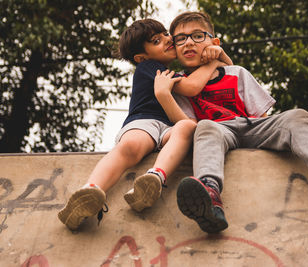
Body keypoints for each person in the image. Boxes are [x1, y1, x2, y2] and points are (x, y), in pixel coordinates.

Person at [165, 11, 308, 234]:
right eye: (180, 38)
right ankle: (208, 194)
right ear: (175, 48)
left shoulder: (236, 72)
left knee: (297, 116)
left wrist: (305, 139)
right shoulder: (178, 83)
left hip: (251, 126)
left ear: (214, 42)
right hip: (218, 132)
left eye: (197, 36)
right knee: (205, 126)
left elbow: (264, 121)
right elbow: (187, 125)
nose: (188, 42)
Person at [58, 18, 232, 230]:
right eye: (157, 41)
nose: (169, 40)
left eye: (166, 35)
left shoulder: (170, 72)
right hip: (144, 121)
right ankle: (90, 190)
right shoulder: (151, 67)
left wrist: (220, 56)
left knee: (187, 127)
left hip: (168, 127)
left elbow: (231, 73)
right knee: (130, 147)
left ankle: (155, 177)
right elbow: (193, 87)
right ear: (142, 57)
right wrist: (215, 60)